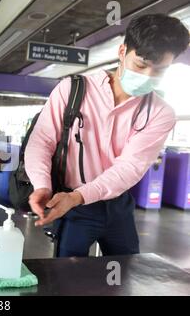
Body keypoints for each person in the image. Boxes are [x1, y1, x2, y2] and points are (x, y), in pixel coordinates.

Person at [25, 14, 189, 257]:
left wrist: (79, 196)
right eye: (141, 65)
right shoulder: (72, 90)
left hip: (116, 206)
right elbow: (42, 141)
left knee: (127, 272)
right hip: (71, 204)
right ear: (122, 51)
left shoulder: (160, 113)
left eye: (160, 70)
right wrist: (42, 185)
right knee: (68, 276)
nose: (148, 76)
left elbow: (130, 167)